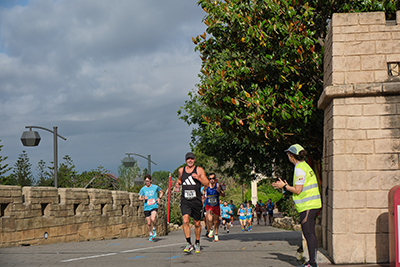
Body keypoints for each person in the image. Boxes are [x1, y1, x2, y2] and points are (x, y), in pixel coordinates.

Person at [273, 144, 322, 267]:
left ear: (291, 155)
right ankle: (312, 261)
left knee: (309, 233)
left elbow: (298, 190)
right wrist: (287, 186)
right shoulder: (305, 166)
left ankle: (312, 263)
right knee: (311, 233)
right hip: (312, 204)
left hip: (308, 206)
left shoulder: (299, 168)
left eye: (288, 154)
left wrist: (284, 186)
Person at [176, 152, 209, 253]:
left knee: (197, 223)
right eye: (188, 159)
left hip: (196, 200)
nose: (190, 160)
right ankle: (188, 243)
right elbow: (180, 179)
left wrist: (198, 178)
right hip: (185, 200)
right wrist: (178, 183)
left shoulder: (199, 170)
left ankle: (197, 242)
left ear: (194, 160)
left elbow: (207, 183)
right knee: (185, 221)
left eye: (192, 159)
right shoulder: (181, 170)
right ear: (185, 160)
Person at [138, 174, 164, 242]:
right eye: (146, 181)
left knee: (153, 219)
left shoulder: (155, 187)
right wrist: (144, 198)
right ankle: (150, 234)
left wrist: (159, 198)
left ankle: (154, 228)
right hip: (147, 207)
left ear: (151, 180)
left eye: (148, 181)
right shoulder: (143, 189)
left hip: (154, 206)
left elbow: (161, 192)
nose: (147, 182)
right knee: (148, 223)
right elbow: (139, 198)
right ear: (144, 181)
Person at [204, 173, 225, 242]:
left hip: (216, 205)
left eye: (213, 178)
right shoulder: (207, 185)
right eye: (210, 179)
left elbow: (223, 195)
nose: (211, 180)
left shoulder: (218, 185)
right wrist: (204, 195)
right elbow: (203, 190)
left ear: (215, 179)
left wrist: (220, 192)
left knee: (216, 221)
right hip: (208, 204)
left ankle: (216, 234)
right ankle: (211, 229)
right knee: (209, 219)